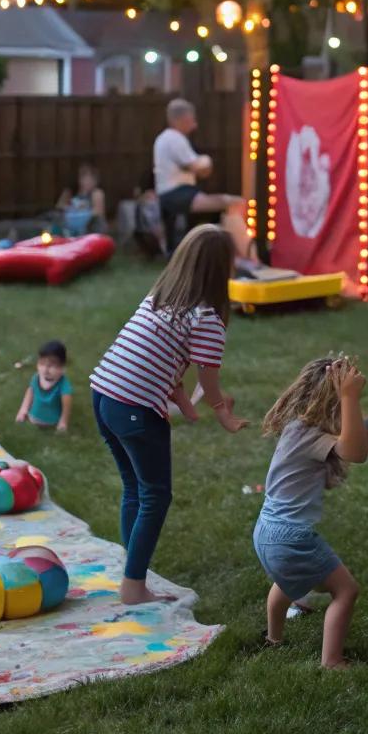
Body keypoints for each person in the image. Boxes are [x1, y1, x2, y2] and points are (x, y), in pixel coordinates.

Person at [89, 225, 247, 605]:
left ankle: (132, 573)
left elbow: (162, 364)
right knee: (156, 496)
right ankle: (133, 586)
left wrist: (187, 407)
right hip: (134, 408)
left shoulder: (158, 300)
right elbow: (208, 380)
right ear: (221, 268)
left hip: (103, 395)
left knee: (135, 488)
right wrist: (222, 413)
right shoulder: (206, 317)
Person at [253, 356, 368, 668]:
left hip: (265, 531)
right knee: (346, 590)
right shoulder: (311, 437)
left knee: (286, 581)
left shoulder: (297, 428)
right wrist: (351, 396)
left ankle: (273, 639)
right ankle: (332, 661)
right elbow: (356, 451)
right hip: (291, 537)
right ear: (334, 403)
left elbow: (354, 432)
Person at [153, 98, 254, 266]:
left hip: (178, 193)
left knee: (223, 206)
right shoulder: (174, 139)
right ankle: (246, 254)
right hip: (178, 194)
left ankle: (233, 254)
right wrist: (206, 161)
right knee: (232, 203)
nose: (195, 125)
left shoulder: (166, 139)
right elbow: (198, 168)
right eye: (191, 120)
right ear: (182, 119)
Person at [15, 340, 73, 434]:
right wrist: (23, 410)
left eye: (51, 365)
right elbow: (30, 392)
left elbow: (66, 404)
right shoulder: (37, 377)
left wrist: (63, 421)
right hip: (33, 415)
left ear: (61, 367)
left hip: (51, 421)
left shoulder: (63, 384)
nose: (45, 369)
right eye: (42, 364)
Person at [55, 163, 107, 236]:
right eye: (84, 178)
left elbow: (98, 211)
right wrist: (70, 209)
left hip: (91, 226)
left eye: (91, 179)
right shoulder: (70, 191)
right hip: (71, 224)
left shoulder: (97, 193)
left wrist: (82, 213)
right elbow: (59, 205)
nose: (87, 181)